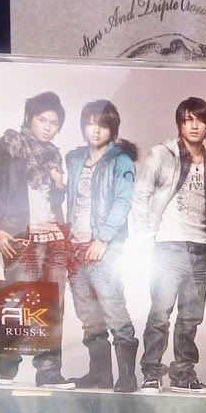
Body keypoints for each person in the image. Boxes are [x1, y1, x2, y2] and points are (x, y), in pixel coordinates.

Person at [0, 91, 72, 388]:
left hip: (54, 236)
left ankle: (48, 372)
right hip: (22, 236)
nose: (48, 127)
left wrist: (59, 185)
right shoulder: (7, 147)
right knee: (16, 303)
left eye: (54, 123)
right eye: (42, 120)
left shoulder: (54, 155)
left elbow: (52, 199)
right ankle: (7, 370)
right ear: (29, 118)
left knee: (52, 307)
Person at [132, 97, 206, 394]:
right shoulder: (162, 154)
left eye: (200, 120)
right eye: (188, 120)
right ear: (179, 124)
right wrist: (145, 238)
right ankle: (151, 373)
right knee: (160, 314)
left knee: (191, 318)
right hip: (168, 246)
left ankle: (183, 375)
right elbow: (141, 195)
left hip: (199, 249)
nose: (194, 126)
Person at [66, 100, 139, 393]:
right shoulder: (74, 159)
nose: (96, 130)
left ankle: (127, 377)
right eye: (91, 123)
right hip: (75, 248)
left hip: (105, 249)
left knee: (113, 309)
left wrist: (103, 239)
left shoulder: (121, 161)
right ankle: (100, 374)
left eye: (103, 125)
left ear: (112, 129)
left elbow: (123, 202)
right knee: (88, 316)